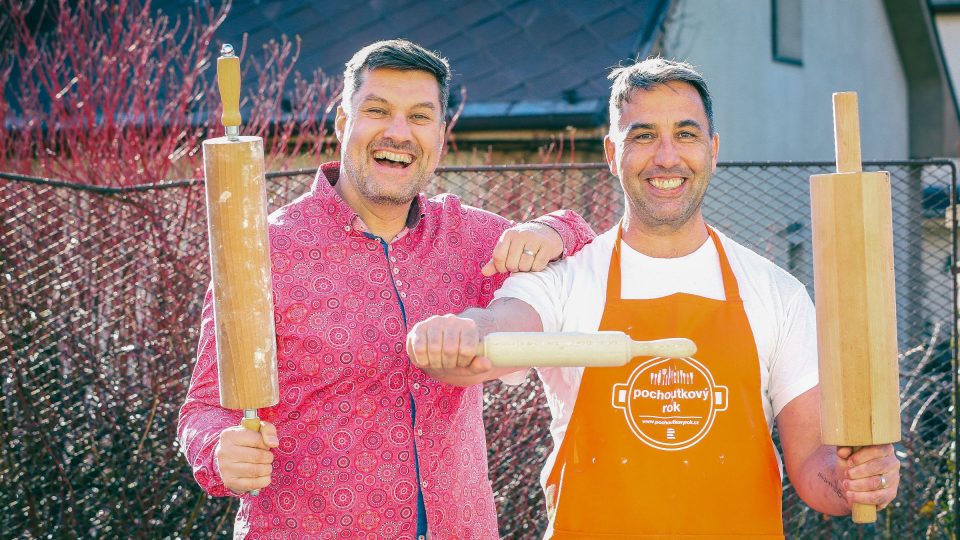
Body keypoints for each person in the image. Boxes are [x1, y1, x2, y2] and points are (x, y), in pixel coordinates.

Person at [406, 58, 901, 538]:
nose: (667, 157)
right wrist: (464, 334)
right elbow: (498, 332)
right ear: (611, 152)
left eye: (686, 134)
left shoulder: (776, 292)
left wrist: (852, 480)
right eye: (643, 136)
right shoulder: (564, 280)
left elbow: (814, 462)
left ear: (713, 149)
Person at [177, 39, 595, 539]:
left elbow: (588, 247)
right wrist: (218, 449)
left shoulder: (473, 239)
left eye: (419, 117)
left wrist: (552, 230)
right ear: (342, 122)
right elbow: (204, 407)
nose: (398, 132)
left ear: (441, 136)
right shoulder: (263, 251)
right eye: (377, 110)